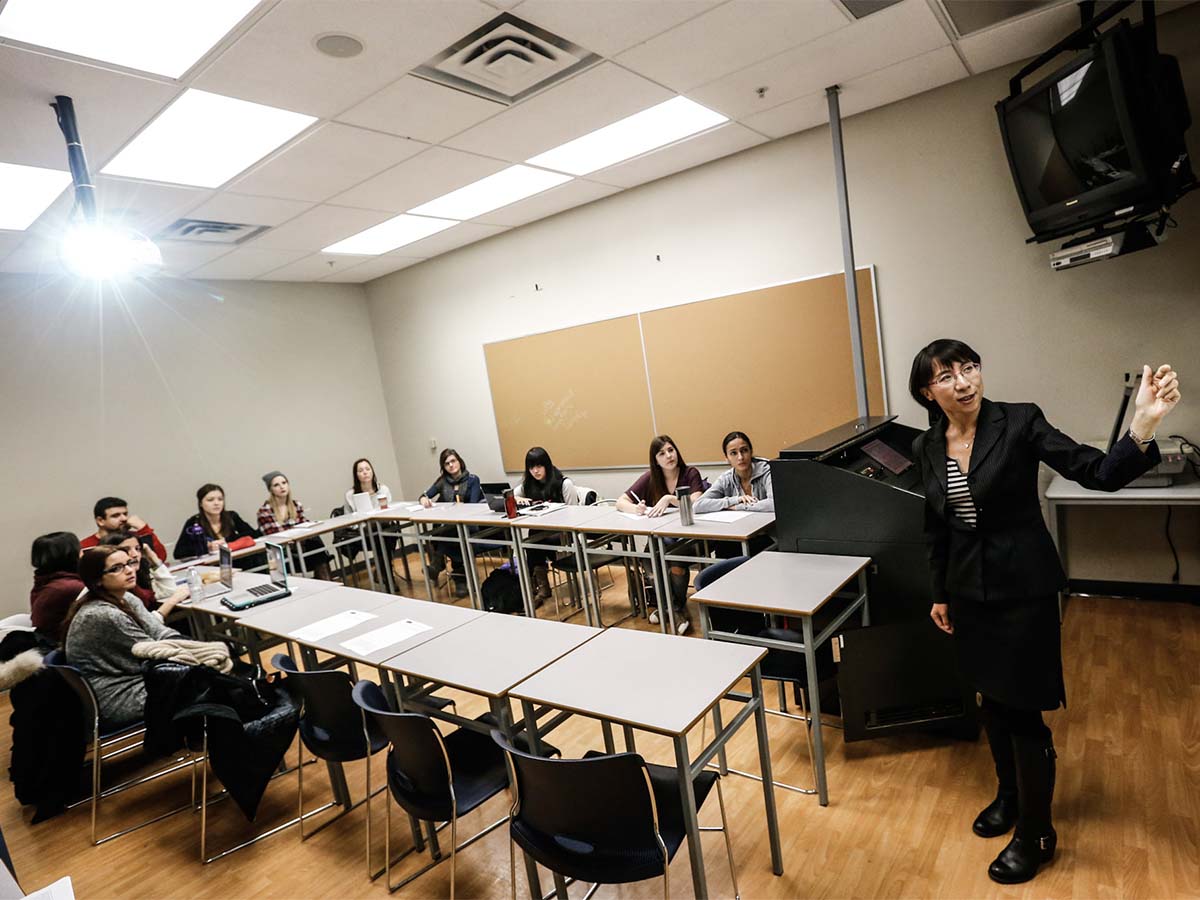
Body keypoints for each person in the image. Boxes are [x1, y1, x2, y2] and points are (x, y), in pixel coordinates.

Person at [909, 338, 1180, 885]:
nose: (964, 382)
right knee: (991, 703)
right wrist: (940, 592)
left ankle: (1037, 833)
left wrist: (1143, 427)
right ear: (927, 392)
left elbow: (1096, 472)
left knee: (1022, 713)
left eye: (970, 368)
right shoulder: (926, 446)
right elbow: (937, 528)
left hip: (1023, 591)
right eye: (947, 376)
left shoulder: (1019, 421)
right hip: (969, 594)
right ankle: (1009, 798)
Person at [63, 546, 186, 729]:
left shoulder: (126, 598)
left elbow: (159, 631)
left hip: (137, 679)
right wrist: (195, 654)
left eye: (129, 563)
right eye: (117, 568)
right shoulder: (102, 615)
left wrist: (190, 648)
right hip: (119, 696)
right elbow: (153, 651)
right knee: (203, 682)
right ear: (97, 580)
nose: (129, 570)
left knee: (204, 673)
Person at [615, 435, 706, 634]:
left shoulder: (690, 473)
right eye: (662, 453)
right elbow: (620, 501)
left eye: (671, 450)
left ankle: (673, 608)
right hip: (661, 539)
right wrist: (635, 509)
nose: (668, 456)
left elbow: (697, 501)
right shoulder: (650, 478)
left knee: (675, 562)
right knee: (649, 558)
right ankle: (673, 609)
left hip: (688, 538)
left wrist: (669, 499)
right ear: (655, 460)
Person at [513, 447, 580, 603]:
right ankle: (539, 584)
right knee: (532, 538)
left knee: (533, 541)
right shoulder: (528, 486)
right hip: (542, 532)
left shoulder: (564, 483)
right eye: (531, 467)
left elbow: (576, 514)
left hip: (564, 532)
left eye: (539, 466)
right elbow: (513, 494)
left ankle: (539, 585)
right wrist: (516, 500)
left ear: (547, 465)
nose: (535, 471)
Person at [418, 449, 482, 599]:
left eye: (453, 461)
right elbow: (424, 495)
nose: (451, 465)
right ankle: (458, 579)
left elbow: (472, 505)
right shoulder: (442, 482)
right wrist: (423, 500)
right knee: (448, 533)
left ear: (459, 461)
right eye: (447, 464)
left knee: (448, 534)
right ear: (443, 467)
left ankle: (439, 565)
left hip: (469, 525)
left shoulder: (472, 479)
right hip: (450, 527)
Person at [257, 471, 333, 580]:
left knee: (317, 548)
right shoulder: (265, 511)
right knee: (317, 554)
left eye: (284, 483)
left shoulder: (296, 505)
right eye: (276, 485)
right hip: (283, 556)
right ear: (271, 489)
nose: (282, 487)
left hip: (301, 548)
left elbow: (305, 527)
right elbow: (273, 538)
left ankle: (327, 586)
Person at [174, 483, 263, 568]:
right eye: (210, 500)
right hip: (214, 566)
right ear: (201, 503)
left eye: (220, 499)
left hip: (240, 561)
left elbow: (254, 534)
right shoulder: (194, 522)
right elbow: (178, 553)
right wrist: (207, 546)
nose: (216, 503)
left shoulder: (231, 516)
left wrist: (226, 540)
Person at [100, 532, 188, 612]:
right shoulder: (114, 586)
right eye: (126, 550)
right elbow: (145, 625)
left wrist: (154, 559)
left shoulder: (137, 578)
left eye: (138, 549)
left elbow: (168, 592)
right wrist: (172, 601)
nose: (135, 554)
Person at [694, 431, 775, 513]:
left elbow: (774, 503)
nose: (740, 457)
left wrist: (738, 507)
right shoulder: (726, 479)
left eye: (744, 450)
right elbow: (698, 505)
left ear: (751, 452)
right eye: (733, 453)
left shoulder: (767, 471)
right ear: (727, 458)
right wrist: (735, 500)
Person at [29, 531, 84, 642]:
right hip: (63, 646)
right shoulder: (68, 587)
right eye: (80, 550)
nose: (83, 553)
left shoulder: (45, 581)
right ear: (71, 555)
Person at [81, 496, 167, 559]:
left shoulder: (134, 538)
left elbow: (160, 558)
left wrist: (144, 529)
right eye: (116, 516)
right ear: (100, 521)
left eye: (125, 514)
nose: (124, 519)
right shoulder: (85, 547)